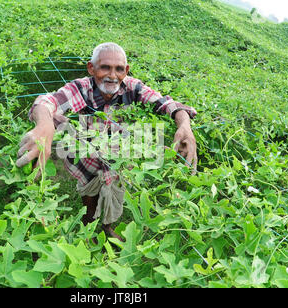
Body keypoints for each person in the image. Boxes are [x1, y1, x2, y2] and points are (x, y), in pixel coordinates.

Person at [16, 42, 198, 241]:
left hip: (120, 152)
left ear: (126, 70)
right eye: (105, 67)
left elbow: (167, 104)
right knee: (89, 191)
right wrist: (44, 125)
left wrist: (184, 125)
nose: (112, 75)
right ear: (91, 68)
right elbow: (47, 102)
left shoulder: (132, 87)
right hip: (88, 148)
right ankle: (88, 223)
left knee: (115, 192)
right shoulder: (82, 87)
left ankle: (107, 226)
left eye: (119, 69)